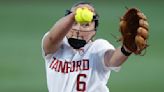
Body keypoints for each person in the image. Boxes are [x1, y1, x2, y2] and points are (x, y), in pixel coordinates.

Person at [41, 1, 148, 92]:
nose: (79, 29)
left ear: (94, 31)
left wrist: (126, 48)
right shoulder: (56, 46)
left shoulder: (98, 47)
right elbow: (52, 38)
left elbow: (113, 60)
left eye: (85, 24)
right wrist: (74, 15)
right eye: (74, 23)